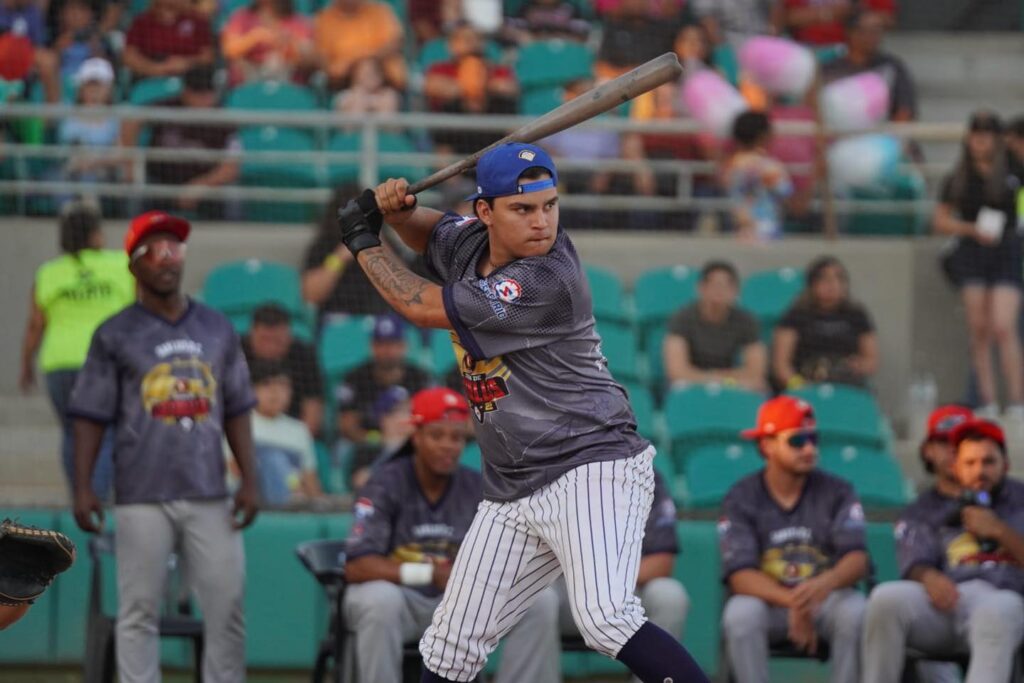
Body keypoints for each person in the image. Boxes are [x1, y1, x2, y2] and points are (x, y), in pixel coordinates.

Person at [336, 141, 709, 682]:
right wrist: (401, 212)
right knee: (449, 645)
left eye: (549, 206)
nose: (542, 222)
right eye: (524, 208)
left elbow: (420, 306)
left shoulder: (546, 278)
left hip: (589, 466)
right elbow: (435, 233)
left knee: (606, 619)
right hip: (514, 486)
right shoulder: (470, 243)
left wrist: (362, 239)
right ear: (484, 212)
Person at [68, 210, 259, 683]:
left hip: (210, 491)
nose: (167, 258)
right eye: (154, 250)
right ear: (133, 265)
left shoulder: (217, 327)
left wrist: (251, 478)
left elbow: (236, 407)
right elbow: (90, 416)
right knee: (137, 614)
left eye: (174, 248)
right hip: (140, 493)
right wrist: (82, 486)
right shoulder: (113, 333)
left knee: (227, 609)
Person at [343, 386, 562, 683]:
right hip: (404, 601)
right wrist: (427, 574)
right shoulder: (384, 483)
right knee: (378, 599)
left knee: (540, 601)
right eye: (436, 435)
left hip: (461, 603)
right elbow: (357, 566)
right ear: (416, 436)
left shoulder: (479, 487)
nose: (448, 445)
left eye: (456, 437)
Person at [862, 418, 1024, 683]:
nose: (979, 471)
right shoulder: (932, 509)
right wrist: (929, 577)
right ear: (956, 468)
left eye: (989, 462)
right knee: (885, 599)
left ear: (1005, 465)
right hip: (952, 599)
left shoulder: (1020, 500)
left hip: (1004, 596)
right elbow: (917, 560)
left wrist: (1000, 531)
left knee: (997, 612)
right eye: (970, 463)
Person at [720, 395, 869, 683]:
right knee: (740, 614)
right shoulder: (742, 497)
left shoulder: (838, 491)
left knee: (856, 611)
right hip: (771, 601)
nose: (810, 449)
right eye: (797, 442)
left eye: (813, 439)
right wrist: (794, 603)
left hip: (825, 599)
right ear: (767, 445)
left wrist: (822, 587)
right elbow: (741, 576)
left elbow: (857, 559)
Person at [19, 202, 133, 498]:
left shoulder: (49, 273)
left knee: (73, 433)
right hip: (103, 362)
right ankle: (95, 504)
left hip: (59, 364)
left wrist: (25, 365)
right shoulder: (120, 265)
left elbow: (35, 325)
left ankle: (80, 501)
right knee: (105, 433)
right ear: (95, 235)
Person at [555, 467, 690, 682]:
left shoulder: (644, 474)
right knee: (538, 600)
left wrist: (605, 581)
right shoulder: (554, 467)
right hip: (568, 590)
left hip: (626, 588)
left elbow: (661, 562)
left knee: (670, 595)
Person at [934, 111, 1023, 418]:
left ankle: (1015, 400)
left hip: (1006, 250)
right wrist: (971, 229)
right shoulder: (958, 178)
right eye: (976, 136)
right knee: (980, 329)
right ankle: (986, 400)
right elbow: (941, 220)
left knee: (1003, 326)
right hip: (973, 251)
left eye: (987, 136)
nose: (980, 142)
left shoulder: (1014, 172)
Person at [889, 404, 975, 683]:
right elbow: (915, 563)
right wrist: (929, 576)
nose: (953, 449)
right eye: (944, 442)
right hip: (941, 611)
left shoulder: (1010, 501)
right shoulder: (919, 510)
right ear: (928, 450)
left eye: (963, 441)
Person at [138, 66, 241, 219]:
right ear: (186, 92)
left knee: (232, 195)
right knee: (138, 188)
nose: (205, 98)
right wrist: (129, 160)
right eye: (198, 93)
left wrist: (200, 185)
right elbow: (131, 119)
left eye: (208, 93)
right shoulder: (168, 108)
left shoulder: (223, 121)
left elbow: (230, 168)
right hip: (162, 181)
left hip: (205, 186)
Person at [772, 255, 878, 390]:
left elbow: (871, 360)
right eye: (825, 279)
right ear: (812, 284)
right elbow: (781, 366)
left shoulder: (857, 315)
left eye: (839, 279)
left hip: (845, 383)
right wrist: (800, 386)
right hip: (805, 382)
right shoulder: (795, 316)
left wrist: (859, 365)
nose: (832, 285)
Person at [663, 260, 766, 392]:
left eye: (725, 286)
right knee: (677, 385)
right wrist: (711, 379)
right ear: (701, 288)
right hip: (692, 380)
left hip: (729, 379)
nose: (719, 292)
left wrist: (723, 380)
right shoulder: (682, 317)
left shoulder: (746, 320)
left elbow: (755, 370)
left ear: (735, 291)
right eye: (714, 285)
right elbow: (676, 370)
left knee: (759, 386)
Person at [302, 185, 396, 324]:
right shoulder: (325, 245)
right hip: (338, 323)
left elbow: (406, 287)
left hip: (381, 322)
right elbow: (310, 294)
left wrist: (380, 247)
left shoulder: (384, 241)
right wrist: (339, 258)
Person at [423, 22, 519, 155]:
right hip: (452, 130)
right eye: (466, 39)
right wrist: (474, 84)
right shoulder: (441, 68)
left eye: (478, 38)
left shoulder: (494, 68)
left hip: (490, 125)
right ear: (452, 44)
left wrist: (474, 82)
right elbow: (432, 86)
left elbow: (508, 87)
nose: (473, 43)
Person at [336, 313, 431, 447]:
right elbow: (347, 426)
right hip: (367, 446)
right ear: (372, 346)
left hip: (412, 443)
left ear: (404, 346)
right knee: (343, 447)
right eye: (381, 344)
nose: (387, 351)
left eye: (393, 344)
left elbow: (431, 422)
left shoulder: (421, 378)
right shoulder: (355, 378)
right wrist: (378, 441)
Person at [241, 303, 324, 439]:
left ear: (289, 336)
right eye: (265, 340)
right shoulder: (234, 353)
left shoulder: (304, 355)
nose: (271, 347)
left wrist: (298, 440)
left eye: (278, 341)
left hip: (291, 432)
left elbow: (312, 408)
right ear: (252, 333)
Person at [246, 359, 323, 505]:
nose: (275, 392)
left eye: (282, 385)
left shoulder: (299, 430)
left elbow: (309, 478)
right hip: (252, 502)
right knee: (273, 459)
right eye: (267, 384)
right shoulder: (239, 424)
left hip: (293, 500)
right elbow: (236, 470)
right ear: (252, 390)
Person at [821, 9, 917, 123]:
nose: (872, 37)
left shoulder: (892, 67)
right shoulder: (830, 69)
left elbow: (904, 110)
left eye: (877, 31)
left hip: (882, 136)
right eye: (866, 31)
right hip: (838, 134)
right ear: (850, 32)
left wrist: (895, 139)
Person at [723, 110, 793, 242]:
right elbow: (785, 191)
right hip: (766, 226)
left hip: (738, 227)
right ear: (763, 136)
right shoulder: (770, 166)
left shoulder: (730, 166)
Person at [55, 58, 121, 193]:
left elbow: (119, 154)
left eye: (99, 86)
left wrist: (95, 162)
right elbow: (70, 153)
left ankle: (89, 209)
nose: (94, 91)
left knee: (90, 177)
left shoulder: (117, 119)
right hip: (72, 172)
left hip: (105, 174)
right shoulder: (69, 117)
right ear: (81, 89)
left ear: (109, 89)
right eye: (89, 85)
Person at [313, 0, 406, 92]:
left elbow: (394, 43)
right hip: (344, 84)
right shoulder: (324, 19)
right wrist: (355, 67)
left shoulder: (380, 11)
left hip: (385, 80)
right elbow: (324, 61)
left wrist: (368, 62)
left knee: (387, 100)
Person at [221, 0, 315, 86]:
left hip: (285, 81)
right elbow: (229, 50)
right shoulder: (242, 17)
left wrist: (289, 44)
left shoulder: (296, 21)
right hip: (249, 78)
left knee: (277, 61)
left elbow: (309, 57)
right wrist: (255, 37)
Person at [123, 0, 214, 82]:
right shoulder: (142, 22)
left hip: (188, 80)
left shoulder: (197, 21)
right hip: (150, 78)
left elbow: (207, 57)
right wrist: (156, 69)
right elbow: (129, 57)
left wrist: (187, 63)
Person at [348, 384, 414, 490]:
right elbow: (359, 481)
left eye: (409, 411)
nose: (405, 417)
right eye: (397, 411)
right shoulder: (367, 449)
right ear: (383, 417)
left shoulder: (419, 449)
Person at [0, 0, 61, 102]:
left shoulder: (33, 12)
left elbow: (36, 43)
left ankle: (52, 114)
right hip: (3, 52)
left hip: (26, 53)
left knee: (49, 62)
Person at [781, 0, 895, 48]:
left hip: (855, 51)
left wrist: (861, 11)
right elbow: (787, 18)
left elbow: (887, 19)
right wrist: (830, 13)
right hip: (809, 48)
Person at [332, 56, 400, 117]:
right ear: (354, 75)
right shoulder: (344, 96)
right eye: (365, 73)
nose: (370, 76)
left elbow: (387, 120)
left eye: (374, 72)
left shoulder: (390, 95)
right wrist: (359, 97)